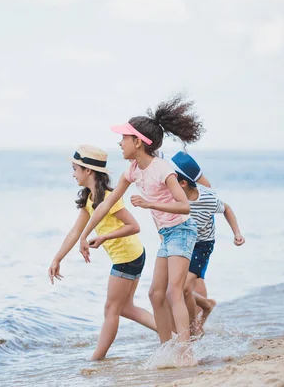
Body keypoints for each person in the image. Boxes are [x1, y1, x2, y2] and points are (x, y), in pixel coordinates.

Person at [79, 95, 204, 349]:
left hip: (183, 230)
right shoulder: (134, 169)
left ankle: (186, 352)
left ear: (138, 142)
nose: (120, 143)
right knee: (154, 294)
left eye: (124, 138)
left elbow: (184, 206)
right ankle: (167, 349)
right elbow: (105, 203)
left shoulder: (163, 169)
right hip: (168, 235)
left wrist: (150, 204)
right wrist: (85, 234)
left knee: (172, 292)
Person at [48, 144, 156, 360]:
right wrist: (57, 258)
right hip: (131, 255)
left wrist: (104, 237)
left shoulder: (109, 197)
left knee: (112, 308)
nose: (73, 174)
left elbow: (134, 226)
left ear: (88, 170)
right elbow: (75, 232)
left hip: (127, 256)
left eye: (75, 169)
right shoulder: (89, 198)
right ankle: (172, 333)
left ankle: (97, 359)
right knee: (125, 308)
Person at [170, 151, 245, 335]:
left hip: (202, 244)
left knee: (184, 286)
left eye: (172, 180)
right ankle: (205, 305)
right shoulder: (173, 196)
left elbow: (226, 208)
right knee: (177, 287)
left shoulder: (208, 198)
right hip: (183, 241)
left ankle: (193, 327)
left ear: (183, 183)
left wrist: (236, 233)